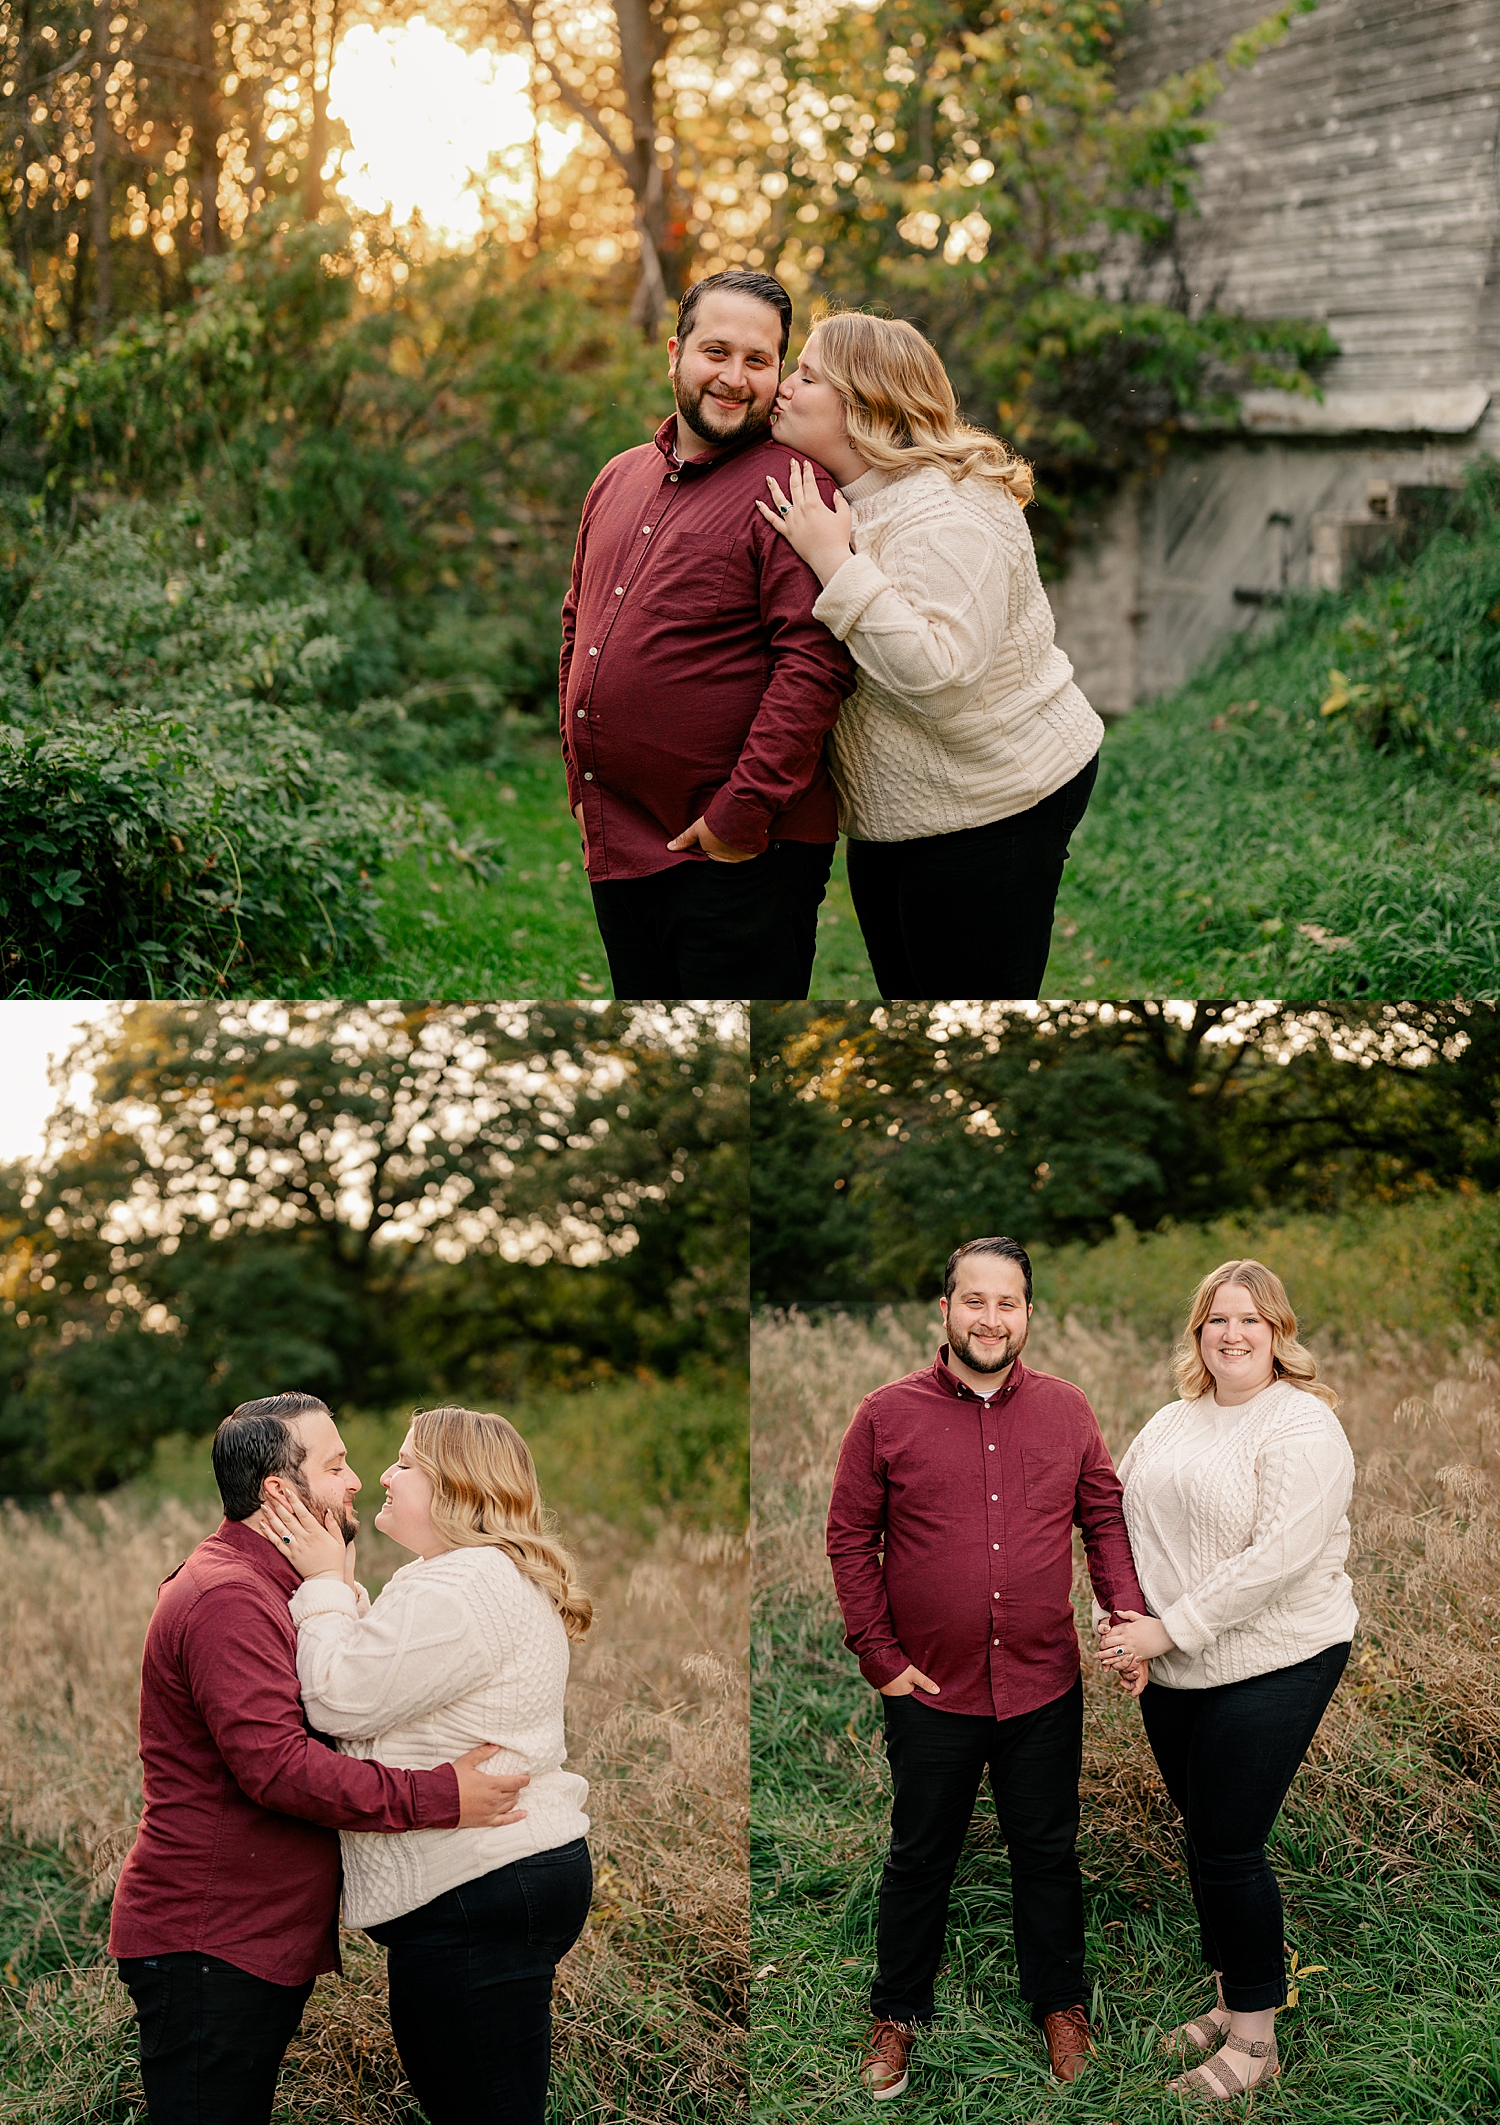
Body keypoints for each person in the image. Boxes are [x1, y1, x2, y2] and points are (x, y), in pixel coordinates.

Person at [110, 1391, 528, 2125]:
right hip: (211, 1939)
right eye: (336, 1465)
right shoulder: (226, 1597)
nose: (357, 1479)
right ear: (280, 1490)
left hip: (252, 1936)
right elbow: (278, 1768)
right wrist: (440, 1795)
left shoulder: (286, 1586)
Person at [825, 1236, 1146, 2100]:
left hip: (1044, 1682)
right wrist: (880, 1658)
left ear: (1028, 1314)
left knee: (1046, 1848)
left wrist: (1125, 1614)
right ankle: (897, 2013)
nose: (991, 1318)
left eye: (1008, 1303)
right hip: (930, 1688)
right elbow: (851, 1538)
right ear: (945, 1309)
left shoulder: (1068, 1409)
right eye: (975, 1300)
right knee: (921, 1850)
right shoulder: (885, 1414)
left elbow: (1103, 1519)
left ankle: (1059, 2004)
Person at [256, 1404, 594, 2125]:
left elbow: (339, 1698)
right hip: (502, 1877)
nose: (383, 1473)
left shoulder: (463, 1586)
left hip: (478, 1887)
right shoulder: (463, 1577)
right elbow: (388, 1677)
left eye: (406, 1462)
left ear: (456, 1487)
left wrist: (321, 1583)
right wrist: (342, 1587)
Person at [756, 311, 1104, 1000]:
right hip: (902, 810)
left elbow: (940, 675)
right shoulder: (856, 498)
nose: (784, 387)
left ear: (864, 407)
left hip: (999, 799)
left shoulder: (948, 515)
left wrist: (833, 560)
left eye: (806, 375)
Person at [1094, 1260, 1357, 2102]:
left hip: (1280, 1654)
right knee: (1202, 1831)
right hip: (1177, 1662)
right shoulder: (1170, 1421)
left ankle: (1255, 2041)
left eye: (1250, 1319)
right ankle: (1232, 1990)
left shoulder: (1301, 1426)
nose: (1232, 1334)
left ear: (1278, 1332)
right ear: (1198, 1331)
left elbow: (1276, 1560)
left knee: (1232, 1843)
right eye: (1216, 1319)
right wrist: (1124, 1628)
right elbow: (1115, 1524)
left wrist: (1168, 1629)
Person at [560, 267, 855, 1001]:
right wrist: (578, 772)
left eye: (759, 361)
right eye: (715, 352)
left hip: (739, 858)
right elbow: (577, 623)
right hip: (619, 841)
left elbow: (814, 666)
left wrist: (740, 815)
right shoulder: (617, 478)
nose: (735, 377)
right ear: (674, 353)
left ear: (779, 371)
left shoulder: (792, 487)